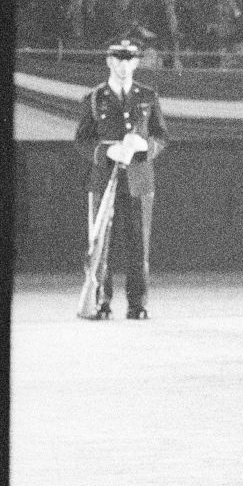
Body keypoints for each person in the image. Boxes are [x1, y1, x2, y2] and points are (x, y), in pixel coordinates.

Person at [74, 36, 170, 320]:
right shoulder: (94, 98)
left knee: (138, 244)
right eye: (118, 59)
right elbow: (82, 140)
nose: (124, 65)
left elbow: (161, 136)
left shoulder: (148, 96)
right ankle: (101, 301)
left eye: (129, 59)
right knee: (102, 243)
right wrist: (108, 150)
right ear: (109, 61)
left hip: (139, 180)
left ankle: (137, 303)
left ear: (137, 62)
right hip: (104, 178)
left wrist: (145, 146)